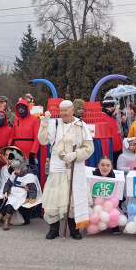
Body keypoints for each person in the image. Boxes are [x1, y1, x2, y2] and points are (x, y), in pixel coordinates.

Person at [38, 100, 95, 240]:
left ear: (72, 110)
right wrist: (44, 124)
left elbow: (89, 148)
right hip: (57, 166)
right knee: (55, 197)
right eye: (61, 110)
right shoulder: (54, 123)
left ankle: (74, 229)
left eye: (66, 110)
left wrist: (76, 154)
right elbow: (43, 141)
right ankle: (54, 229)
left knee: (73, 198)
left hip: (75, 166)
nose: (63, 113)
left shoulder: (81, 125)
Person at [0, 151, 38, 230]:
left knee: (10, 205)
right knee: (6, 204)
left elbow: (32, 188)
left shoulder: (29, 175)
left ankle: (6, 222)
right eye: (14, 168)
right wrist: (5, 192)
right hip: (14, 193)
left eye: (17, 169)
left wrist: (32, 196)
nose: (16, 170)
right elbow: (8, 183)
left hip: (22, 195)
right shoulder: (15, 174)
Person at [92, 156, 123, 234]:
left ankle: (113, 224)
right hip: (95, 204)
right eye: (102, 165)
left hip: (109, 205)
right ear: (98, 166)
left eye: (107, 165)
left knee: (111, 203)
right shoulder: (92, 176)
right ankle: (95, 222)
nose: (105, 168)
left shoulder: (115, 177)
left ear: (111, 167)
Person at [10, 98, 41, 166]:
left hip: (30, 153)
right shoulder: (16, 120)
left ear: (27, 108)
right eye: (19, 108)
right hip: (17, 153)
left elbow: (37, 137)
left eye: (23, 107)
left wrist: (33, 152)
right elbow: (12, 135)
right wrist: (10, 147)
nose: (21, 109)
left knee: (31, 174)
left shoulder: (34, 120)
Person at [101, 96, 123, 164]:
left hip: (117, 153)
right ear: (110, 106)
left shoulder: (113, 119)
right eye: (115, 106)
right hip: (108, 154)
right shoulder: (102, 118)